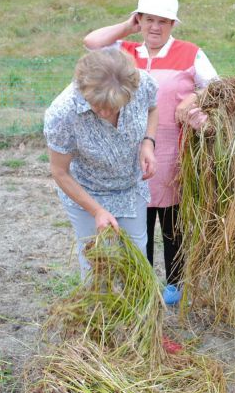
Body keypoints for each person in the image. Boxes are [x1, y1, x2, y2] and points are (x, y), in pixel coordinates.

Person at [83, 0, 218, 305]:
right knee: (137, 224)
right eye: (148, 19)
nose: (155, 27)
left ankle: (176, 284)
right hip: (130, 159)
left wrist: (195, 98)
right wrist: (128, 26)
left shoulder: (190, 52)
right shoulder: (125, 50)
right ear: (139, 19)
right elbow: (91, 42)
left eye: (163, 21)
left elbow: (216, 87)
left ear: (173, 25)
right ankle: (141, 283)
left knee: (173, 225)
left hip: (173, 156)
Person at [44, 49, 159, 280]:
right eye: (98, 106)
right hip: (87, 191)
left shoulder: (142, 83)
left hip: (129, 189)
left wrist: (148, 142)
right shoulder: (63, 113)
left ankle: (138, 312)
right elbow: (59, 172)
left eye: (114, 107)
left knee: (136, 258)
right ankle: (100, 313)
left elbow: (152, 108)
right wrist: (96, 210)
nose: (106, 112)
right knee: (96, 265)